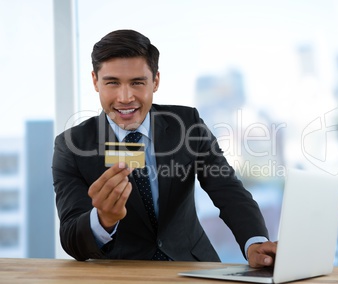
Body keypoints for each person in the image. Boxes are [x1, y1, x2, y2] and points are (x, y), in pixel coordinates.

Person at [52, 29, 277, 267]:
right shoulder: (71, 147)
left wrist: (255, 242)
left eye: (137, 82)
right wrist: (102, 220)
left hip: (192, 266)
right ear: (95, 81)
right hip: (120, 274)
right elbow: (71, 237)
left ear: (155, 81)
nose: (125, 97)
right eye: (112, 83)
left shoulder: (187, 124)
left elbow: (227, 189)